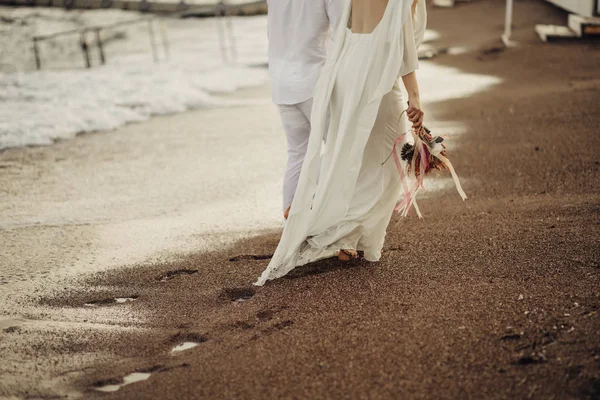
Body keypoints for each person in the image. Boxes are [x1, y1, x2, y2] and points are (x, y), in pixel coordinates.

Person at [256, 0, 427, 285]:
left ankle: (323, 228)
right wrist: (415, 96)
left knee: (329, 154)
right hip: (356, 77)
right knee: (371, 157)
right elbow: (401, 42)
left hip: (328, 74)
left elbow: (346, 32)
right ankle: (340, 232)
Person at [266, 0, 343, 220]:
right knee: (339, 148)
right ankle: (306, 206)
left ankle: (292, 217)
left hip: (280, 80)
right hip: (314, 80)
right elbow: (342, 37)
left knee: (297, 153)